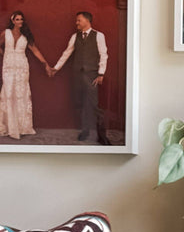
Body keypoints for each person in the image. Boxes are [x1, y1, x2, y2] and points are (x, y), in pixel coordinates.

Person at [48, 10, 109, 144]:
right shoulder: (74, 37)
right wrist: (56, 68)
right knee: (81, 104)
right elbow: (67, 53)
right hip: (77, 77)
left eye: (78, 20)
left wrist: (101, 73)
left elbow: (103, 54)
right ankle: (85, 131)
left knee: (94, 105)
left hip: (92, 76)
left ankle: (102, 136)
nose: (76, 23)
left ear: (87, 21)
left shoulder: (99, 36)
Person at [0, 11, 52, 140]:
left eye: (21, 19)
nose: (20, 22)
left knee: (20, 94)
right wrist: (4, 54)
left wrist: (45, 64)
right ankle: (8, 126)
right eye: (17, 19)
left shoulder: (26, 36)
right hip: (8, 67)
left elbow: (35, 50)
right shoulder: (5, 33)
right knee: (8, 93)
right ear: (13, 21)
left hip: (22, 68)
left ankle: (22, 126)